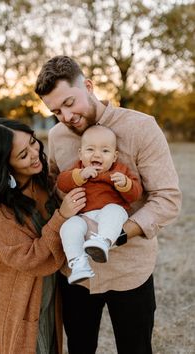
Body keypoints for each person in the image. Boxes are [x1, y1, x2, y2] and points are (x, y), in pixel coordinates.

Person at [34, 55, 182, 354]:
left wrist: (119, 233)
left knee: (135, 348)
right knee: (79, 347)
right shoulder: (56, 136)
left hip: (131, 270)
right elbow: (51, 185)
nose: (65, 116)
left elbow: (167, 198)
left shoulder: (141, 127)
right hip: (74, 271)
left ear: (88, 86)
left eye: (70, 103)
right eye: (56, 111)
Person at [0, 117, 86, 354]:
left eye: (33, 142)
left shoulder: (41, 180)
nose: (35, 153)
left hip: (50, 287)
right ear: (4, 165)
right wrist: (61, 216)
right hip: (20, 298)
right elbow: (27, 257)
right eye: (23, 155)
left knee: (51, 345)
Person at [57, 125, 143, 284]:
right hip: (84, 217)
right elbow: (62, 183)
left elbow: (135, 195)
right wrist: (80, 175)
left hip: (111, 214)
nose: (97, 154)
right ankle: (78, 263)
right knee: (68, 227)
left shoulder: (120, 171)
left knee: (113, 211)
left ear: (115, 156)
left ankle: (103, 241)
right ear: (80, 154)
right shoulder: (78, 169)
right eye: (90, 150)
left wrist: (126, 184)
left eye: (105, 151)